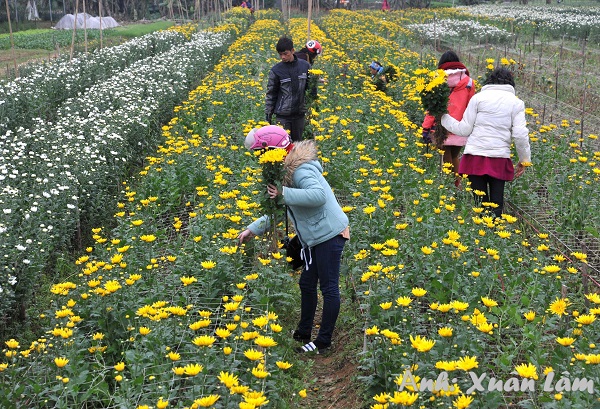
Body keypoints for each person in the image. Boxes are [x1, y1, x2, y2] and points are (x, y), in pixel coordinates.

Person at [239, 126, 350, 354]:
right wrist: (253, 229)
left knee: (329, 287)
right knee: (307, 283)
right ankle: (303, 332)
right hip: (314, 236)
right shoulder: (286, 172)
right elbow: (284, 210)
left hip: (328, 234)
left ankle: (323, 342)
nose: (261, 160)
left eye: (262, 153)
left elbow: (318, 196)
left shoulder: (300, 170)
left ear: (273, 150)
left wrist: (284, 193)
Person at [441, 67, 531, 218]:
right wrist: (524, 160)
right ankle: (494, 234)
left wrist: (442, 117)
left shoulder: (478, 98)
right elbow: (520, 135)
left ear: (489, 81)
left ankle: (481, 235)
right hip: (499, 159)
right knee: (497, 204)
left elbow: (464, 129)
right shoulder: (516, 103)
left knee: (480, 204)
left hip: (474, 158)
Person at [422, 51, 476, 187]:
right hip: (461, 126)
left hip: (441, 126)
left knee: (445, 157)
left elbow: (432, 108)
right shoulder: (469, 82)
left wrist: (426, 127)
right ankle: (456, 184)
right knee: (454, 156)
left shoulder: (437, 81)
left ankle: (448, 186)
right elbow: (471, 106)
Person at [265, 37, 312, 142]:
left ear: (292, 51)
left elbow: (309, 88)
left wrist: (315, 80)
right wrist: (268, 116)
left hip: (299, 114)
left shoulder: (305, 66)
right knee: (283, 146)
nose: (283, 57)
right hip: (283, 116)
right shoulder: (276, 70)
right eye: (280, 54)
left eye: (285, 54)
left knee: (297, 146)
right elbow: (271, 94)